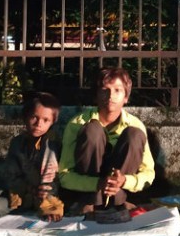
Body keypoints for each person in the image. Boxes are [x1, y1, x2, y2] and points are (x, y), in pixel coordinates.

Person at [58, 67, 155, 213]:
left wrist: (124, 181)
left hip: (120, 191)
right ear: (95, 95)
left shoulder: (136, 124)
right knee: (93, 130)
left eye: (117, 90)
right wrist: (97, 184)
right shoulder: (76, 124)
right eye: (104, 89)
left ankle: (118, 202)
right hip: (90, 190)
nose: (110, 96)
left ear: (126, 97)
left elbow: (148, 173)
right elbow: (65, 175)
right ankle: (92, 201)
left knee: (134, 134)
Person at [0, 92, 64, 221]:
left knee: (48, 212)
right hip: (21, 195)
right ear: (25, 117)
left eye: (46, 120)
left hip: (47, 196)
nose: (39, 124)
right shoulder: (17, 142)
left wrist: (48, 204)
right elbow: (11, 175)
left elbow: (50, 177)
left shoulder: (52, 143)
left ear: (53, 122)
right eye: (34, 117)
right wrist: (25, 189)